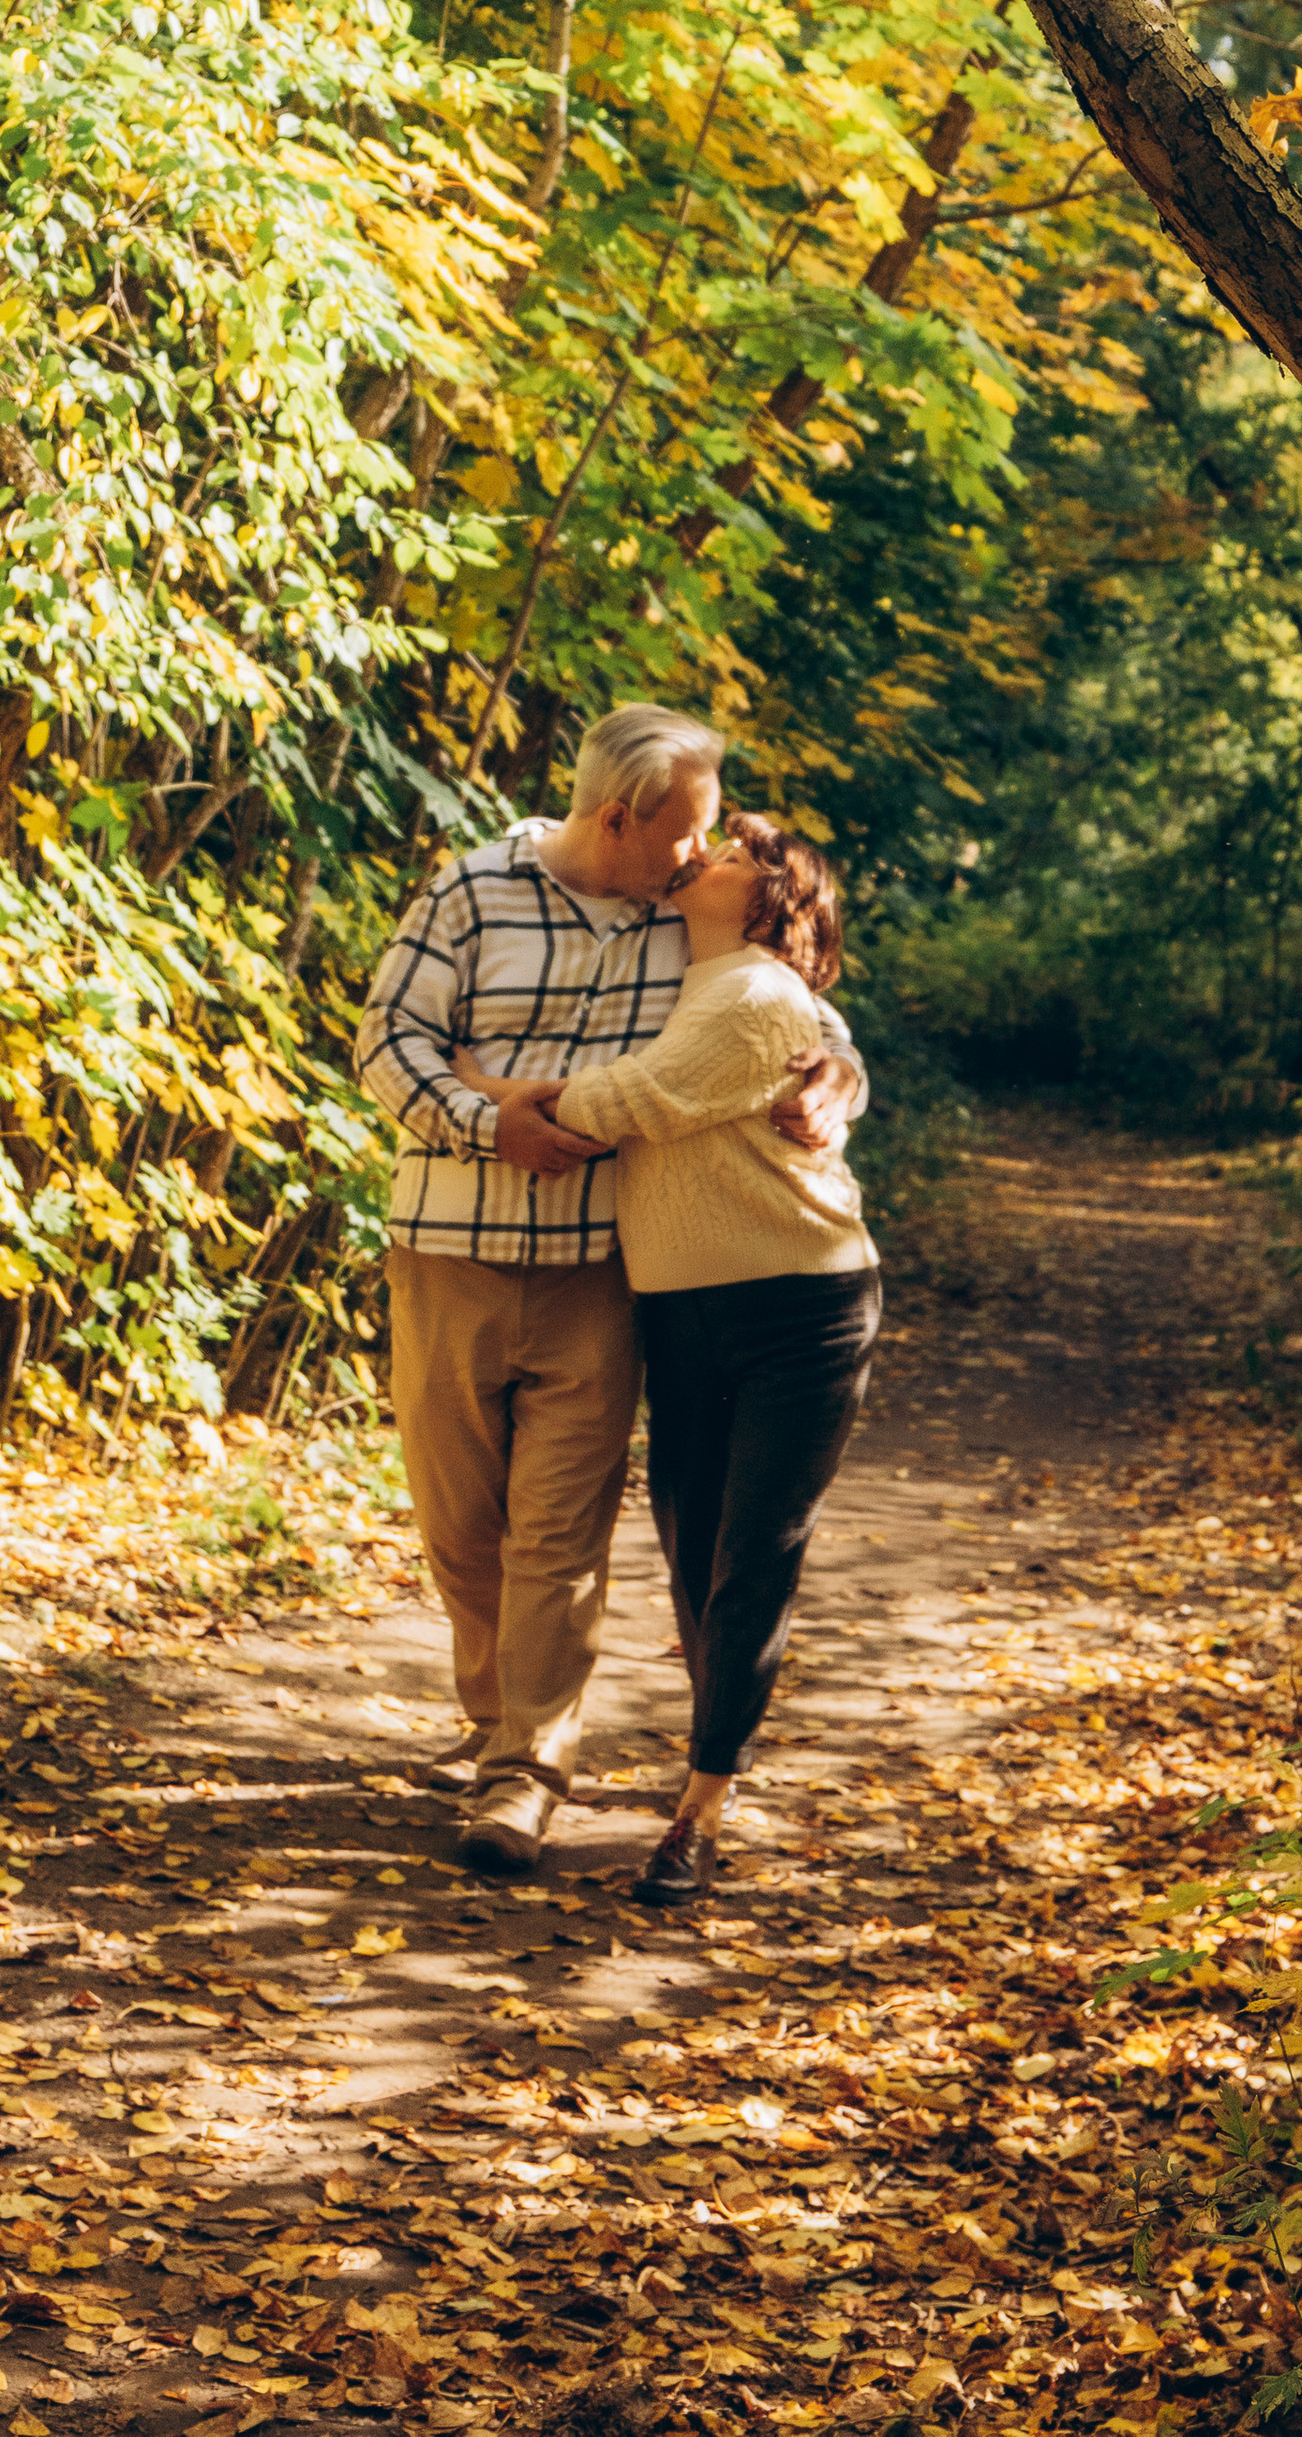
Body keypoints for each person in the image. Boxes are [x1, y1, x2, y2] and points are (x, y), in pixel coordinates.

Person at [356, 708, 865, 1879]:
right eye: (684, 831)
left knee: (560, 1532)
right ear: (616, 817)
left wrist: (843, 1080)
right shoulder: (472, 891)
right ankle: (495, 1722)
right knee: (461, 1529)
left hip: (604, 1266)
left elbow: (804, 1017)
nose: (699, 855)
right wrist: (485, 1122)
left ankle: (524, 1775)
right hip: (450, 1245)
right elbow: (388, 1042)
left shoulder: (686, 919)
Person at [471, 813, 876, 1908]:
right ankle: (720, 1750)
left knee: (751, 1553)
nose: (706, 851)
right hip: (680, 1312)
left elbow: (632, 1101)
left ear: (767, 901)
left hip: (801, 1304)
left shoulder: (748, 989)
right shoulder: (665, 957)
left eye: (739, 850)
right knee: (693, 1550)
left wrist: (484, 1093)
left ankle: (699, 1811)